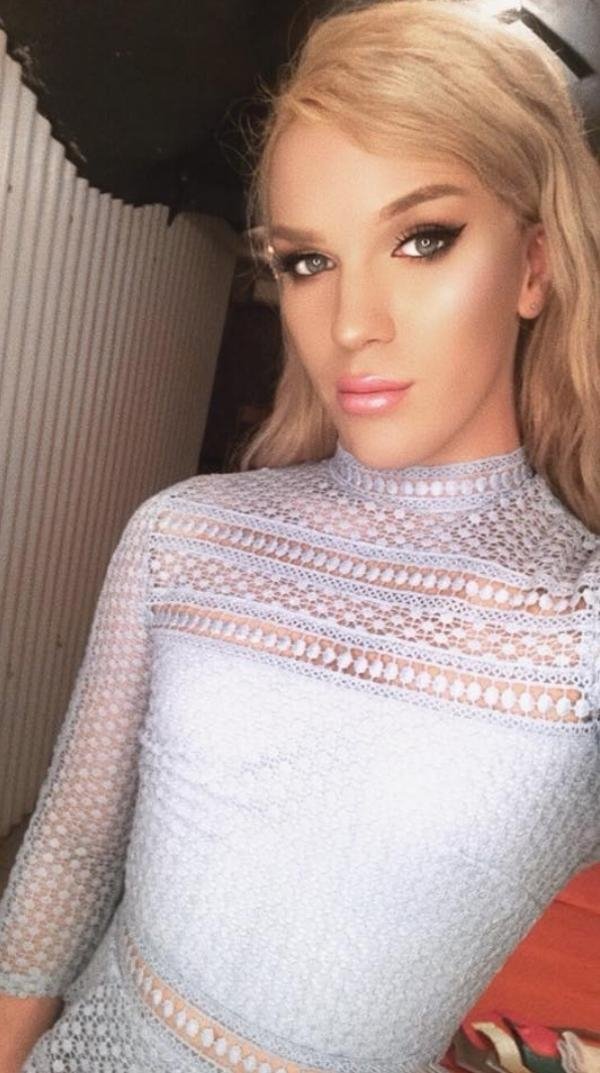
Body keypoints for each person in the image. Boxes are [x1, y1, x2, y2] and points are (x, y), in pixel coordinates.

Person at [1, 0, 599, 1070]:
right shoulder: (183, 535)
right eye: (308, 261)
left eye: (423, 239)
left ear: (534, 266)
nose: (353, 322)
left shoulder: (580, 620)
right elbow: (74, 849)